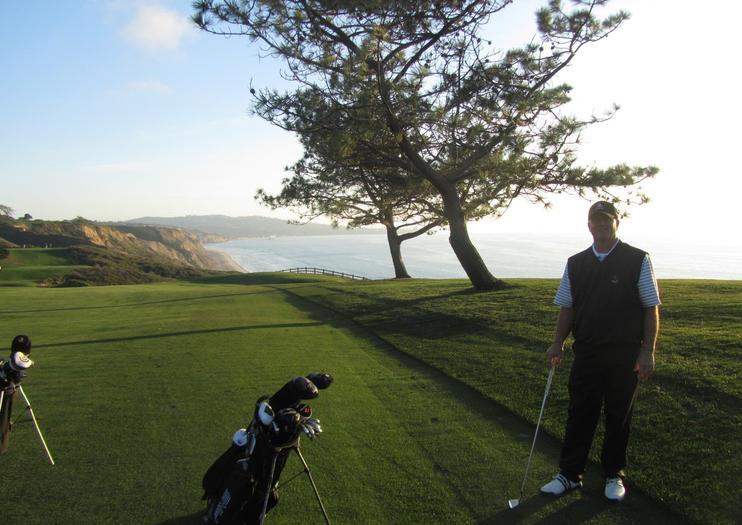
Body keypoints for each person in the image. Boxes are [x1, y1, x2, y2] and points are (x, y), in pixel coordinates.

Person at [540, 201, 660, 501]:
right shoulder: (576, 262)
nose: (602, 225)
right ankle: (569, 475)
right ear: (589, 225)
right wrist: (558, 342)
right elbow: (567, 307)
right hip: (588, 352)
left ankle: (612, 475)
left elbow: (650, 307)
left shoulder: (637, 259)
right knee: (580, 413)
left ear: (617, 223)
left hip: (624, 353)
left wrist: (648, 352)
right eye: (597, 220)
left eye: (608, 220)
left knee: (618, 416)